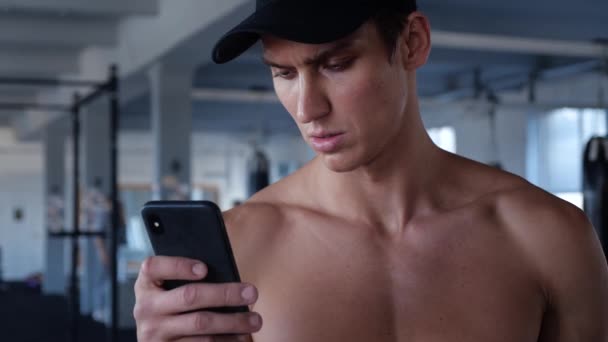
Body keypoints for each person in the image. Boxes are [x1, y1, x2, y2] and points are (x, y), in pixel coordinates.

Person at [134, 0, 608, 340]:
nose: (307, 107)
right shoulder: (239, 246)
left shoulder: (548, 236)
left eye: (336, 64)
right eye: (284, 73)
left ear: (412, 44)